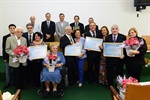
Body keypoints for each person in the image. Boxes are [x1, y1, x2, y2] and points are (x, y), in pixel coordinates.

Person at [105, 24, 126, 89]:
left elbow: (125, 48)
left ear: (118, 30)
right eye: (113, 29)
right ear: (111, 30)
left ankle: (119, 85)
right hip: (110, 58)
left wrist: (123, 54)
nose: (114, 30)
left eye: (116, 29)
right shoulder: (107, 37)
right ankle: (110, 85)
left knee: (119, 72)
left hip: (119, 59)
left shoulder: (123, 37)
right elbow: (106, 46)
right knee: (109, 72)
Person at [2, 24, 16, 89]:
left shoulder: (17, 36)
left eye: (13, 28)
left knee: (14, 71)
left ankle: (13, 82)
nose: (12, 29)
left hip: (15, 57)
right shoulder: (5, 37)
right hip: (7, 57)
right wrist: (5, 58)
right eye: (11, 28)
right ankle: (7, 83)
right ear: (9, 29)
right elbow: (4, 48)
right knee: (8, 71)